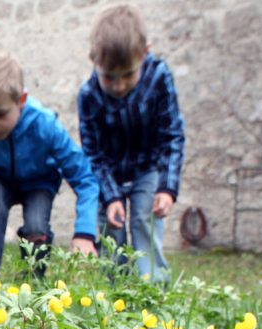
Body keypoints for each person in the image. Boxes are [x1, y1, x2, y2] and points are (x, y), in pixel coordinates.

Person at [0, 50, 99, 282]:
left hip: (40, 182)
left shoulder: (45, 125)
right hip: (0, 178)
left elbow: (84, 178)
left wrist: (85, 232)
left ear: (21, 101)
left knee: (37, 225)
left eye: (1, 113)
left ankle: (32, 282)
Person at [78, 4, 185, 283]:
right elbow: (93, 153)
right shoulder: (89, 94)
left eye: (128, 74)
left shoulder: (159, 77)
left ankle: (153, 297)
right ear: (93, 60)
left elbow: (172, 134)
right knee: (112, 232)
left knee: (143, 221)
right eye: (108, 76)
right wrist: (111, 196)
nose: (118, 85)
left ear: (145, 52)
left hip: (147, 169)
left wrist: (167, 187)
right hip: (109, 174)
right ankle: (115, 299)